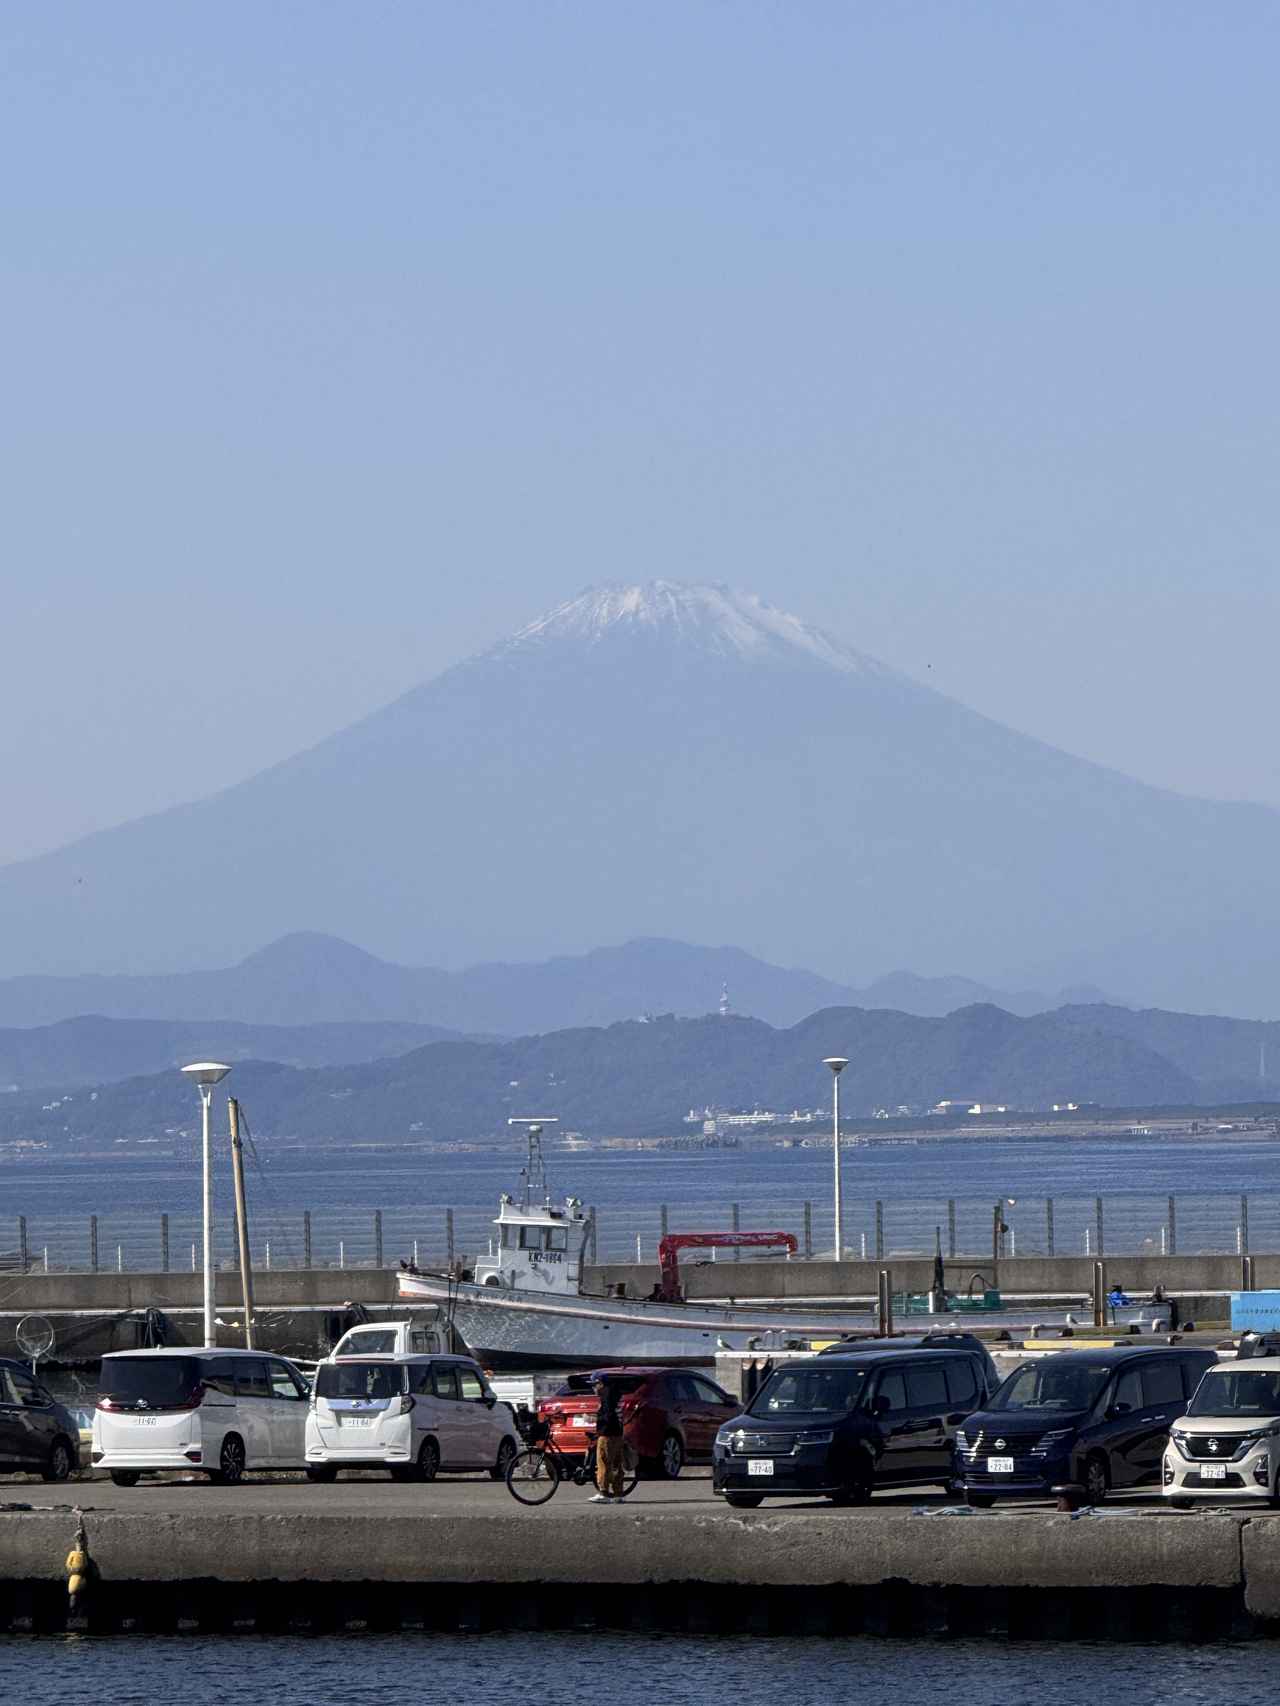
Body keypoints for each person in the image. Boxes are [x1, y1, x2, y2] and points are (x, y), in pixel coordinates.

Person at [589, 1376, 625, 1504]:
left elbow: (607, 1416)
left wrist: (593, 1419)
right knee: (616, 1465)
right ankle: (618, 1494)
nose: (593, 1388)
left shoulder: (606, 1395)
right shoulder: (617, 1395)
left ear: (601, 1384)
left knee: (603, 1463)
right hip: (618, 1433)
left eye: (594, 1384)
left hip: (607, 1434)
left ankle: (603, 1493)